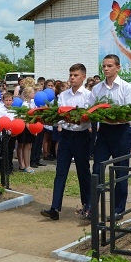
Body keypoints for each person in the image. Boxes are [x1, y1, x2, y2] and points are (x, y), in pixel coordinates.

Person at [41, 63, 93, 221]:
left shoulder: (88, 96)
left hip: (81, 136)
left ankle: (88, 207)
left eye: (76, 75)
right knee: (60, 172)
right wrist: (56, 122)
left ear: (83, 77)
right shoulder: (64, 95)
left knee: (83, 173)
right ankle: (54, 208)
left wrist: (74, 119)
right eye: (71, 75)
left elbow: (87, 117)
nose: (72, 78)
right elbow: (59, 116)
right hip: (65, 137)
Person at [91, 54, 131, 219]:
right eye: (104, 66)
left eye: (109, 66)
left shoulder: (127, 87)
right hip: (103, 131)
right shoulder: (97, 88)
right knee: (97, 169)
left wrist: (112, 116)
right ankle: (92, 207)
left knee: (121, 171)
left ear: (118, 67)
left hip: (121, 132)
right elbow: (91, 109)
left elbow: (130, 114)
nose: (106, 69)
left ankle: (118, 209)